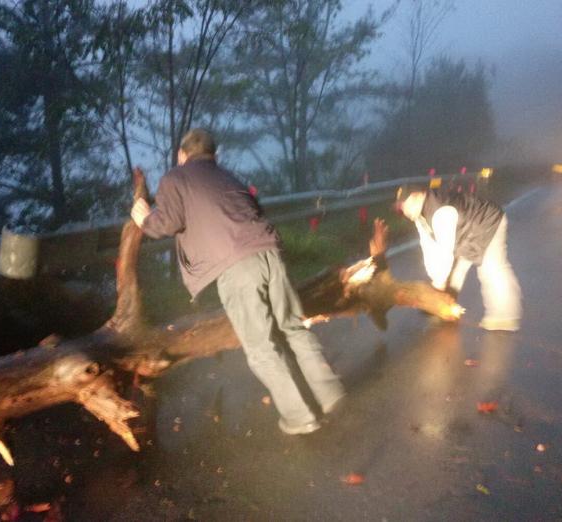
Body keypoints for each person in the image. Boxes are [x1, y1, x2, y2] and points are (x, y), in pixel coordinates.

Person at [131, 128, 345, 434]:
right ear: (213, 155)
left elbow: (168, 221)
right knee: (291, 327)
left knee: (261, 346)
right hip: (270, 254)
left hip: (236, 267)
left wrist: (143, 219)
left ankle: (300, 416)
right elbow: (254, 210)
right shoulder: (228, 177)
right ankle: (330, 393)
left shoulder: (175, 177)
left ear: (182, 155)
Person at [395, 183, 522, 331]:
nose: (404, 210)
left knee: (491, 269)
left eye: (406, 204)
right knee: (455, 270)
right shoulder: (420, 217)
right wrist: (436, 282)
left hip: (487, 222)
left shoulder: (441, 212)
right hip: (465, 233)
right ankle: (443, 306)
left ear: (419, 196)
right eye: (401, 207)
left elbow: (444, 250)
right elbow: (428, 247)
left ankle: (505, 317)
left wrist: (438, 283)